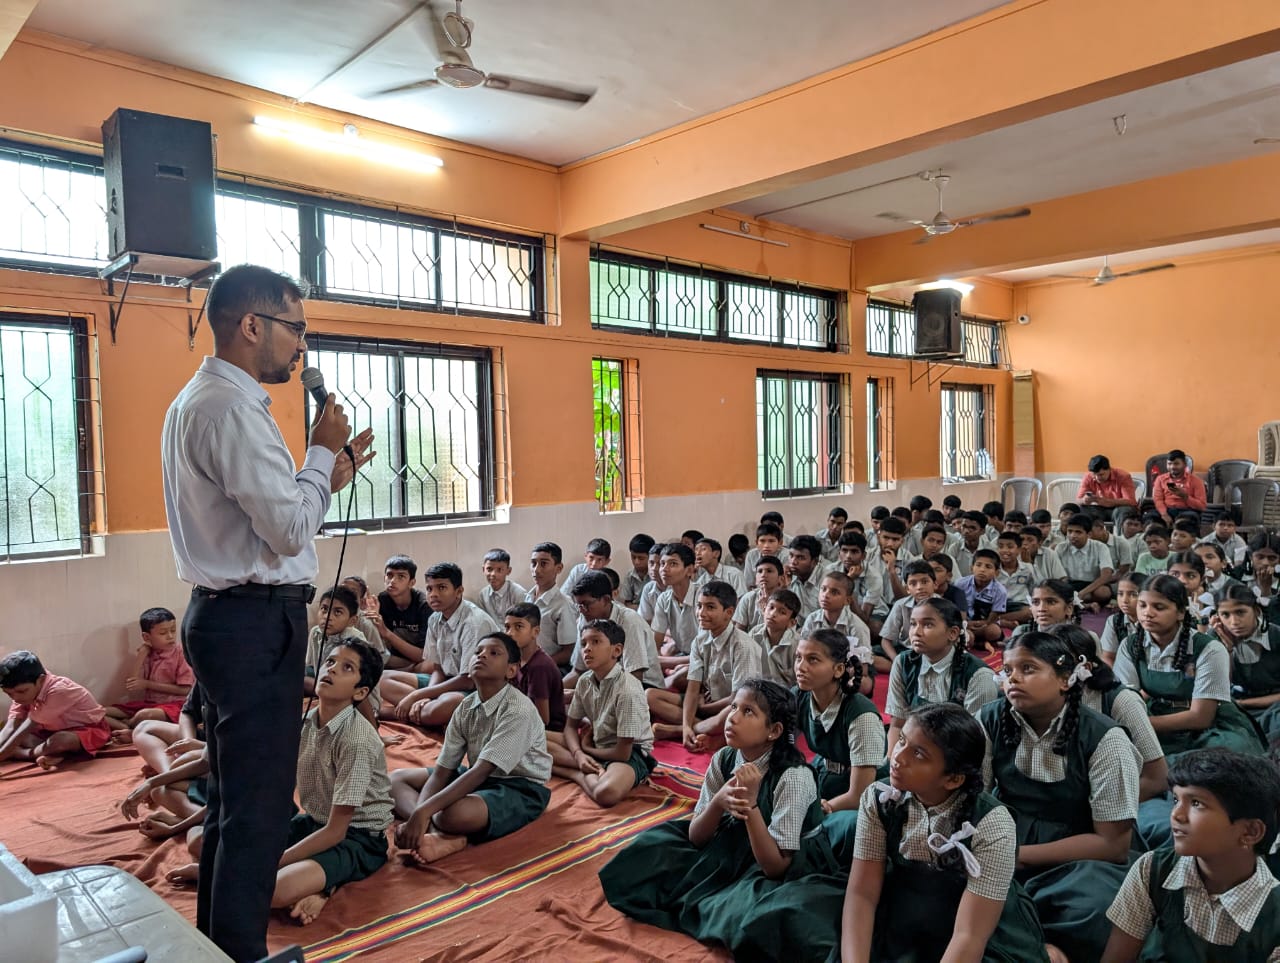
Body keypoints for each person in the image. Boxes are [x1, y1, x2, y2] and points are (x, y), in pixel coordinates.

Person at [159, 263, 373, 962]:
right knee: (256, 808)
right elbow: (286, 533)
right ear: (252, 325)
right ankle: (243, 952)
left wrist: (326, 475)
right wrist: (318, 450)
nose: (301, 348)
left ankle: (218, 947)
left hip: (226, 615)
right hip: (253, 624)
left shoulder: (202, 400)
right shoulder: (230, 408)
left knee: (231, 799)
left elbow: (274, 519)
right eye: (295, 328)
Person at [598, 679, 837, 959]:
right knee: (646, 851)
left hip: (783, 860)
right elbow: (696, 837)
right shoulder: (725, 757)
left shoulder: (793, 777)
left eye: (748, 712)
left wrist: (749, 808)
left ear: (774, 731)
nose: (732, 718)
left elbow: (776, 867)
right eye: (734, 706)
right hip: (732, 843)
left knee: (750, 917)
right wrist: (718, 802)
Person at [836, 703, 1050, 963]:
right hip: (903, 904)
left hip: (973, 916)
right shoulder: (879, 797)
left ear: (953, 779)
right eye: (902, 741)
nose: (898, 757)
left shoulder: (992, 824)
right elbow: (863, 893)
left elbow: (969, 935)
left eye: (918, 754)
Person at [980, 631, 1142, 962]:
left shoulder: (1105, 738)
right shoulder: (990, 719)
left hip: (1082, 857)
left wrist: (1019, 854)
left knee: (1097, 908)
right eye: (1008, 670)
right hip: (1006, 838)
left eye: (1028, 669)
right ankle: (1039, 947)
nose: (1014, 679)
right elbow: (974, 800)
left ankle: (1041, 947)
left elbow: (1113, 845)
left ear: (1065, 679)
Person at [1101, 750, 1280, 963]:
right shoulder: (1152, 870)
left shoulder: (1274, 915)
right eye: (1175, 799)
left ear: (1250, 832)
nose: (1176, 814)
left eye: (1196, 803)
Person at [390, 632, 552, 864]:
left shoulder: (518, 710)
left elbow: (482, 770)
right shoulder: (466, 706)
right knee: (395, 781)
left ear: (511, 670)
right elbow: (443, 770)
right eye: (478, 652)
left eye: (494, 653)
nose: (482, 655)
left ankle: (450, 834)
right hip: (478, 778)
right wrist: (421, 813)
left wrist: (424, 812)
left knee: (452, 814)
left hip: (518, 787)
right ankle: (435, 834)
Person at [1113, 574, 1265, 760]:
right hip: (1156, 713)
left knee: (1222, 758)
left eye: (1159, 607)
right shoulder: (1130, 646)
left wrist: (1140, 724)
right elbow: (1127, 698)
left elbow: (1201, 717)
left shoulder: (1209, 648)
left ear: (1180, 612)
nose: (1147, 613)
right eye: (1142, 605)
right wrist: (1135, 723)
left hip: (1209, 725)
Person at [1047, 623, 1168, 802]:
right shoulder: (1040, 702)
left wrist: (1096, 814)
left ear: (1084, 667)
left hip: (1121, 799)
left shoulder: (1121, 701)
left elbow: (1156, 779)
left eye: (1059, 664)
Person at [378, 562, 500, 729]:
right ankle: (428, 714)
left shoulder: (474, 623)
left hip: (476, 688)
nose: (433, 594)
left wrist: (418, 695)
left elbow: (468, 680)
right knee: (382, 678)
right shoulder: (435, 619)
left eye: (441, 587)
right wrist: (424, 697)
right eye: (429, 589)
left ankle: (395, 713)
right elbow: (438, 669)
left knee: (443, 705)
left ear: (459, 591)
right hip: (447, 682)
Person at [549, 619, 656, 807]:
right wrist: (579, 754)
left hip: (631, 753)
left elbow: (623, 753)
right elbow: (571, 727)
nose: (587, 649)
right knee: (530, 738)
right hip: (596, 742)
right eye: (584, 644)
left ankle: (576, 773)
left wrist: (587, 749)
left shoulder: (628, 689)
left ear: (616, 651)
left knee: (606, 794)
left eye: (596, 642)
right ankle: (585, 765)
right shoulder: (584, 681)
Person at [650, 580, 761, 751]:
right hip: (707, 703)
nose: (701, 613)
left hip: (733, 706)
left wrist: (702, 708)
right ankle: (692, 727)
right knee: (650, 695)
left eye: (710, 607)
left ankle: (680, 730)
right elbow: (693, 689)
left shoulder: (742, 645)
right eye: (699, 606)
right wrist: (688, 722)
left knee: (728, 717)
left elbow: (738, 698)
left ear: (729, 612)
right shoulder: (700, 641)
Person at [885, 598, 1001, 749]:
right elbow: (897, 725)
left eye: (928, 624)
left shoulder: (978, 675)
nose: (916, 632)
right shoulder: (903, 662)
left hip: (955, 755)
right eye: (913, 624)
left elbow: (975, 740)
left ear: (952, 633)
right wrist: (894, 762)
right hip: (910, 748)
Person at [792, 628, 883, 817]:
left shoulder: (861, 715)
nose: (801, 667)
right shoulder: (800, 696)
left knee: (839, 827)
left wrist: (822, 809)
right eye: (798, 658)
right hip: (824, 771)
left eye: (813, 659)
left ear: (838, 669)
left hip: (861, 788)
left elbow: (859, 795)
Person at [0, 650, 112, 770]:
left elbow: (26, 728)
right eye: (9, 694)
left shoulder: (59, 690)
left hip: (87, 731)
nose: (16, 698)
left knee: (61, 740)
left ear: (41, 680)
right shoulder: (23, 690)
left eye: (21, 691)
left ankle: (24, 754)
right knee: (9, 730)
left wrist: (3, 755)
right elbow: (11, 726)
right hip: (49, 732)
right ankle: (56, 754)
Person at [304, 586, 386, 729]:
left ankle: (373, 726)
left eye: (337, 612)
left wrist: (375, 732)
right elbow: (313, 667)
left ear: (352, 620)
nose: (327, 616)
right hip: (334, 688)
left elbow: (361, 689)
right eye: (324, 609)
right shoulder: (316, 633)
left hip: (360, 697)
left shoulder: (354, 640)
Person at [105, 607, 195, 733]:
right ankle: (126, 727)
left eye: (173, 631)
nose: (170, 636)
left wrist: (147, 684)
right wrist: (141, 655)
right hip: (149, 704)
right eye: (163, 633)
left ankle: (128, 726)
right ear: (147, 637)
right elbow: (133, 684)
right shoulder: (148, 654)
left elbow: (185, 690)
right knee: (100, 712)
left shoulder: (181, 653)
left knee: (145, 715)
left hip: (175, 705)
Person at [566, 571, 662, 688]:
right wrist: (555, 692)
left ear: (606, 599)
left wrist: (593, 696)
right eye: (579, 605)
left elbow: (634, 676)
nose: (582, 610)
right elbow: (578, 671)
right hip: (605, 681)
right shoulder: (585, 618)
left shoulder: (629, 621)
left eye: (586, 604)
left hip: (642, 685)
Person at [1212, 584, 1280, 744]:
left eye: (1240, 612)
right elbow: (1220, 691)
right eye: (1225, 615)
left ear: (1256, 611)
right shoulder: (1213, 639)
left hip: (1274, 705)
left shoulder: (1276, 636)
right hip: (1235, 709)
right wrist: (1226, 651)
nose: (1234, 621)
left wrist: (1243, 703)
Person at [502, 603, 566, 733]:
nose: (510, 633)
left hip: (546, 731)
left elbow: (542, 720)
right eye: (507, 627)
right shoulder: (514, 660)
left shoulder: (539, 667)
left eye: (518, 627)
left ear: (535, 632)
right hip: (522, 721)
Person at [877, 559, 940, 673]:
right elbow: (885, 640)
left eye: (925, 582)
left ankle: (910, 669)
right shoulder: (901, 605)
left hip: (933, 650)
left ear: (935, 584)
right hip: (906, 650)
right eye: (913, 583)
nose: (919, 587)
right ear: (907, 589)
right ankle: (902, 668)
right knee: (868, 656)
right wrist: (896, 660)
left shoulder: (943, 606)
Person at [526, 542, 579, 666]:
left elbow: (568, 652)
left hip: (549, 668)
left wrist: (537, 665)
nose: (536, 569)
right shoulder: (527, 598)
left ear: (559, 568)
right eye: (533, 563)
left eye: (543, 564)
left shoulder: (563, 605)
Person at [377, 555, 431, 669]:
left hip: (420, 660)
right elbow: (383, 648)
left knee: (429, 666)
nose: (393, 581)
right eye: (389, 575)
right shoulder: (382, 600)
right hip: (397, 660)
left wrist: (387, 633)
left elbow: (424, 656)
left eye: (401, 576)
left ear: (411, 582)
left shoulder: (424, 605)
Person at [956, 548, 1009, 652]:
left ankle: (983, 640)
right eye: (978, 565)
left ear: (997, 572)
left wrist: (983, 624)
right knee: (967, 638)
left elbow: (994, 616)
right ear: (972, 568)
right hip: (964, 623)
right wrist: (965, 623)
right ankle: (979, 643)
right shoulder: (960, 584)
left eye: (988, 567)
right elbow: (956, 608)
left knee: (994, 632)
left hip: (985, 624)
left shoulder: (1000, 590)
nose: (982, 569)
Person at [1059, 512, 1114, 609]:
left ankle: (1077, 603)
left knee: (1103, 592)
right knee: (1056, 591)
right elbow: (1058, 576)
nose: (1073, 535)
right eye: (1070, 531)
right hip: (1069, 585)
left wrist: (1083, 593)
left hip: (1092, 585)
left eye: (1078, 532)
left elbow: (1106, 575)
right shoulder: (1061, 547)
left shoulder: (1100, 547)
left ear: (1089, 534)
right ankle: (1086, 605)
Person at [750, 589, 802, 688]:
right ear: (764, 609)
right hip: (757, 690)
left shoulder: (796, 644)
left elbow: (798, 681)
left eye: (782, 612)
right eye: (771, 607)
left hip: (785, 695)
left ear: (792, 623)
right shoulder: (754, 633)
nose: (773, 614)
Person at [1099, 571, 1147, 667]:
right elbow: (1108, 657)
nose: (1124, 600)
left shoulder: (1151, 621)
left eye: (1133, 594)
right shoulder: (1114, 621)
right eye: (1120, 594)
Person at [1077, 454, 1138, 525]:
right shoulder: (1088, 476)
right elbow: (1078, 500)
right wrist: (1084, 500)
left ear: (1109, 469)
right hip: (1099, 508)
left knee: (1124, 511)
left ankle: (1119, 535)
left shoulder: (1123, 476)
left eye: (1101, 474)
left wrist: (1109, 502)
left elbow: (1131, 501)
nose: (1097, 478)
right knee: (1082, 509)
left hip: (1119, 508)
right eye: (1094, 474)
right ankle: (1094, 535)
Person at [732, 555, 785, 633]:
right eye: (760, 571)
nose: (763, 575)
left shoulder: (787, 599)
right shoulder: (748, 598)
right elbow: (739, 631)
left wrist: (767, 608)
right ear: (756, 579)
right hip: (750, 643)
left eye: (769, 571)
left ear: (780, 578)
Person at [1153, 449, 1207, 525]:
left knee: (1187, 520)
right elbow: (1158, 500)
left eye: (1176, 464)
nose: (1172, 467)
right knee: (1151, 517)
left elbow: (1202, 506)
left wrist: (1185, 496)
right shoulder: (1160, 479)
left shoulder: (1196, 481)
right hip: (1166, 510)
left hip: (1187, 511)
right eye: (1169, 464)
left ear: (1184, 464)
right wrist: (1164, 514)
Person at [995, 531, 1036, 628]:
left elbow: (1034, 588)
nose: (1004, 550)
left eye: (1010, 547)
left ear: (1019, 550)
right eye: (1001, 546)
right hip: (998, 605)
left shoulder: (1027, 568)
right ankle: (1004, 622)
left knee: (1030, 612)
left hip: (1019, 605)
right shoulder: (994, 568)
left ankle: (999, 620)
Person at [477, 549, 526, 623]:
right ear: (483, 569)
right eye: (489, 569)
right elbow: (483, 622)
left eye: (499, 570)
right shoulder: (483, 595)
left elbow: (522, 622)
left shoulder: (518, 593)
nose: (493, 574)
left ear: (508, 571)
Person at [619, 533, 655, 608]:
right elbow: (627, 603)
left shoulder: (657, 575)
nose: (636, 562)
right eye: (633, 557)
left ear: (651, 556)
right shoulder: (629, 575)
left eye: (641, 558)